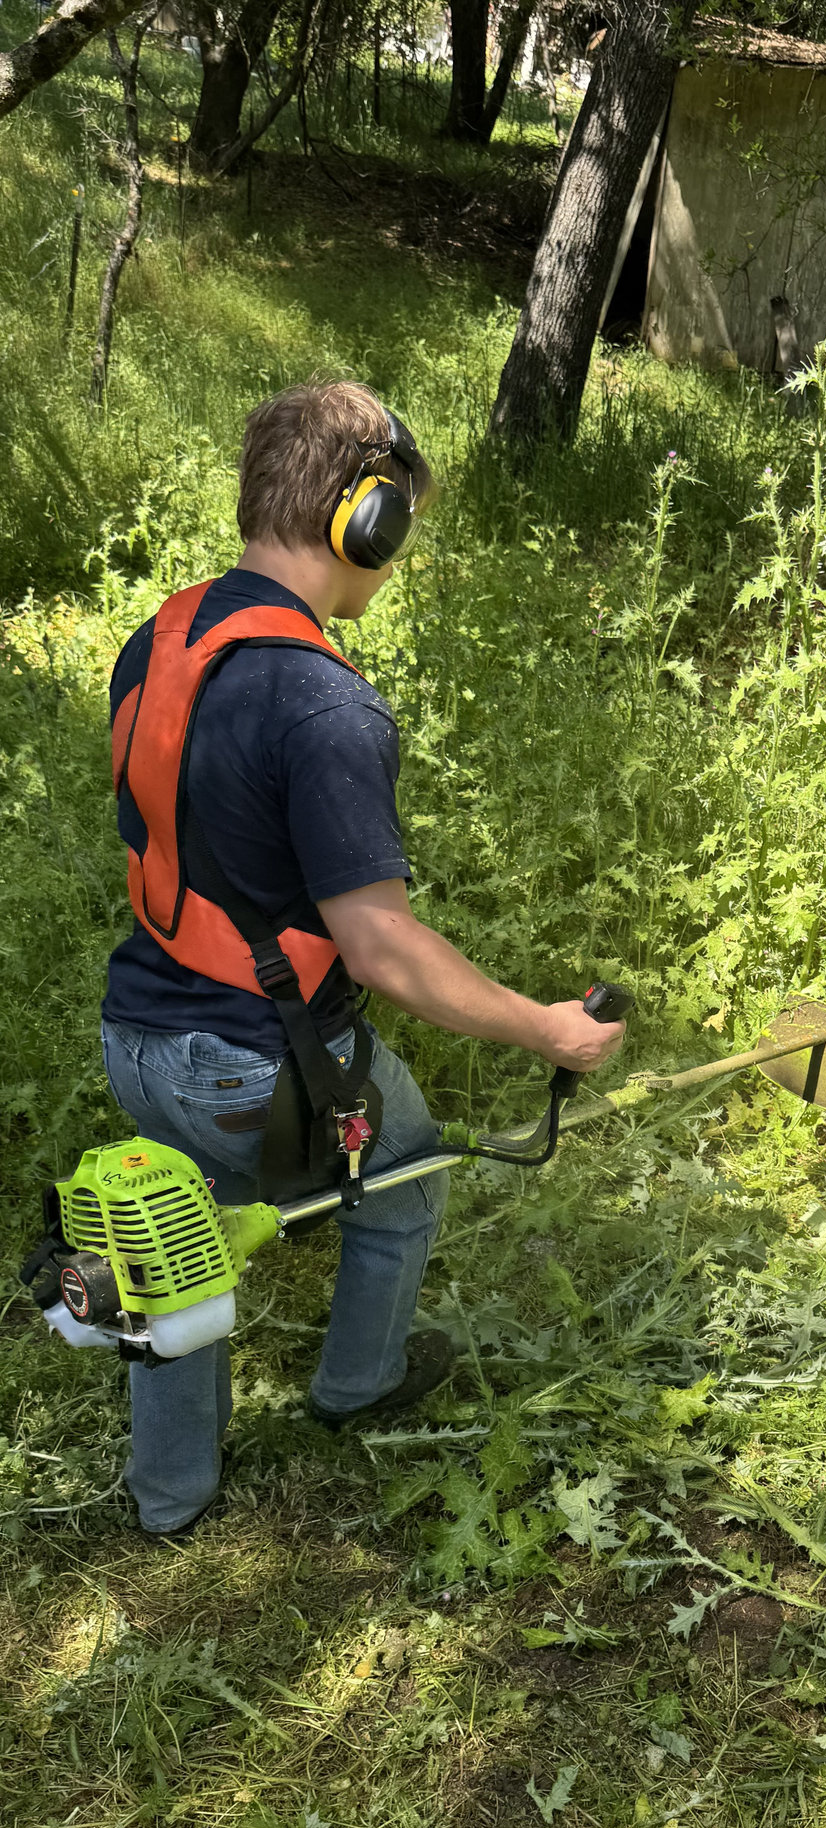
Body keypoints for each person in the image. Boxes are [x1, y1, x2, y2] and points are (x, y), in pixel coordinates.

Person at [101, 379, 624, 1541]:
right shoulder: (327, 705)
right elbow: (381, 950)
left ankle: (169, 1501)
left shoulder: (164, 636)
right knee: (410, 1167)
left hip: (135, 1035)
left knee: (176, 1257)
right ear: (366, 522)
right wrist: (549, 1028)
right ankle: (358, 1385)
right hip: (249, 1062)